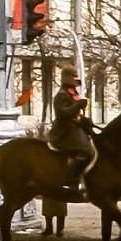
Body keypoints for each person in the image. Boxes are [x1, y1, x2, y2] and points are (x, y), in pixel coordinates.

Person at [48, 64, 93, 195]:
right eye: (74, 78)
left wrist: (85, 120)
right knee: (84, 150)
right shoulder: (61, 95)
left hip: (74, 127)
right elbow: (64, 113)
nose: (76, 83)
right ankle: (71, 181)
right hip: (64, 131)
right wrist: (78, 105)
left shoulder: (73, 94)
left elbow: (75, 114)